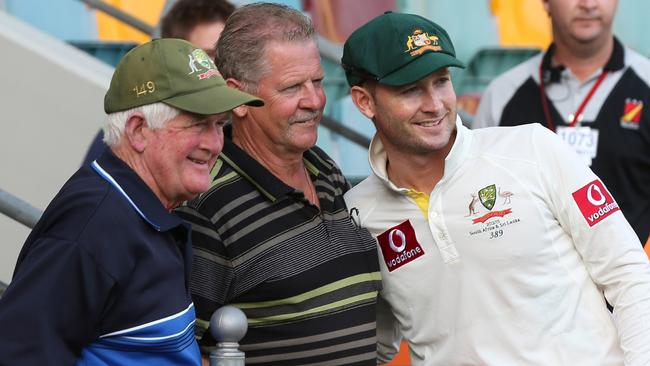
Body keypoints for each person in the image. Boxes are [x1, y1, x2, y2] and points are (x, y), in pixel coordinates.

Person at [341, 11, 650, 365]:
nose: (435, 104)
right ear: (364, 101)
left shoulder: (533, 149)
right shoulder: (358, 214)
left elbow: (628, 273)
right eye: (410, 89)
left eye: (441, 81)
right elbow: (373, 346)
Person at [0, 38, 262, 365]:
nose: (213, 143)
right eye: (198, 124)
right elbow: (20, 352)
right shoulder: (96, 224)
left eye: (218, 125)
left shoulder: (140, 209)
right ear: (138, 131)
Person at [175, 3, 381, 365]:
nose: (315, 100)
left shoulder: (325, 170)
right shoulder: (207, 206)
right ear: (237, 97)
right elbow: (184, 350)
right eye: (292, 88)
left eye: (317, 81)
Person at [473, 0, 650, 246]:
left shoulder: (646, 83)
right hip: (531, 280)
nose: (588, 5)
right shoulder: (502, 95)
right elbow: (478, 195)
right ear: (545, 3)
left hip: (631, 279)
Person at [82, 0, 236, 166]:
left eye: (225, 56)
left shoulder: (244, 121)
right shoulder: (122, 129)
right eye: (204, 57)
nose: (218, 67)